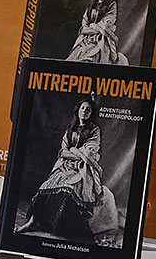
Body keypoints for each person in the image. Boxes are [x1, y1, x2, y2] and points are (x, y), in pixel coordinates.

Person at [18, 98, 107, 242]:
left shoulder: (94, 130)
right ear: (78, 110)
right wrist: (76, 151)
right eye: (83, 108)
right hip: (64, 165)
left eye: (88, 109)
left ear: (91, 113)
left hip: (82, 169)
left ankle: (62, 226)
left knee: (69, 188)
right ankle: (32, 222)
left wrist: (73, 151)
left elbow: (90, 152)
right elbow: (63, 152)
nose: (85, 111)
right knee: (45, 187)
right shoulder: (70, 129)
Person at [66, 0, 127, 65]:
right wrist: (95, 27)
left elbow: (106, 25)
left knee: (95, 56)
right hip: (85, 39)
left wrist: (92, 25)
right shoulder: (90, 5)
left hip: (101, 39)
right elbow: (83, 27)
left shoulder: (112, 4)